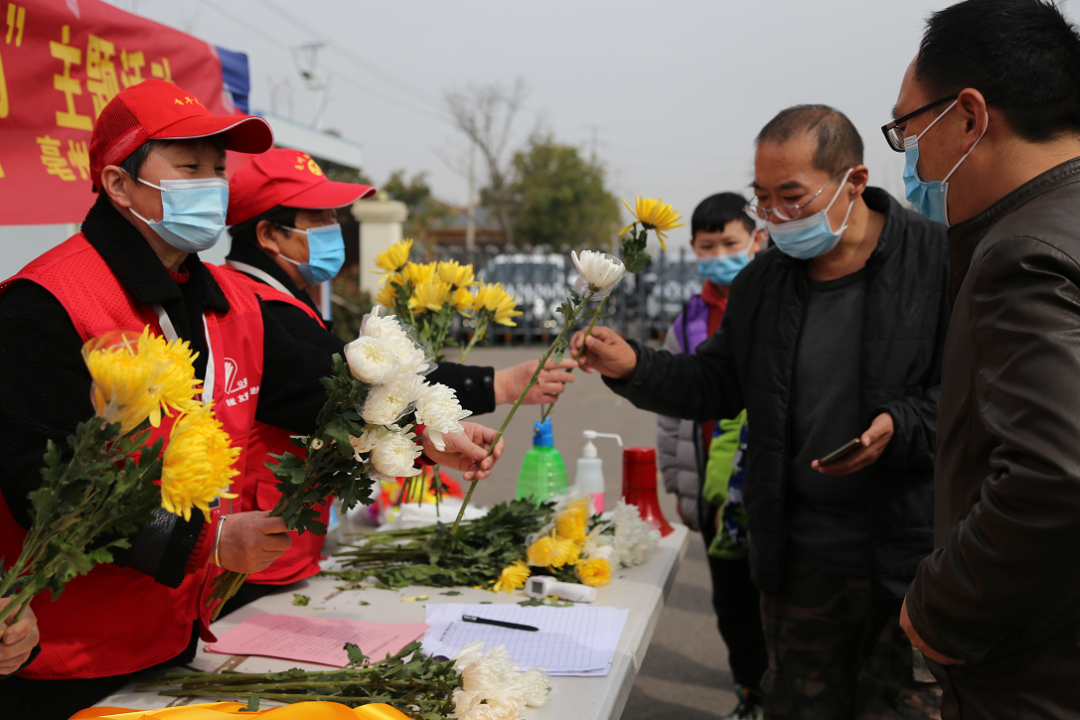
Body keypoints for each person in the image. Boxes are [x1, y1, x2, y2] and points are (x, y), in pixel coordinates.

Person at [0, 80, 501, 718]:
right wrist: (201, 540)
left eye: (217, 168)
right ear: (118, 185)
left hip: (179, 635)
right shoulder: (46, 303)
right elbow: (50, 488)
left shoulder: (228, 303)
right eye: (188, 167)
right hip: (70, 658)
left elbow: (325, 392)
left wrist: (425, 433)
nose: (211, 184)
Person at [571, 105, 950, 719]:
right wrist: (635, 366)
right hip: (799, 563)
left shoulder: (940, 262)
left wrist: (902, 425)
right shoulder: (764, 281)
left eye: (792, 197)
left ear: (853, 181)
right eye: (764, 199)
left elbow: (970, 395)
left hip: (911, 563)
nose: (775, 216)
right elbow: (718, 381)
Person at [216, 148, 573, 610]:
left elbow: (368, 384)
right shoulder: (257, 307)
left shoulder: (281, 300)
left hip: (274, 544)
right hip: (254, 552)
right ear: (268, 234)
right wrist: (438, 423)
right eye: (320, 217)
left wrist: (468, 405)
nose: (335, 227)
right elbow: (351, 396)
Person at [888, 1, 1080, 716]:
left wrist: (941, 608)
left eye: (910, 130)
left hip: (1038, 672)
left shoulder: (1022, 252)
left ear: (968, 116)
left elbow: (1058, 474)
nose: (911, 160)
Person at [655, 192, 767, 719]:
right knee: (732, 602)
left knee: (773, 601)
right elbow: (672, 417)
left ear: (755, 242)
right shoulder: (689, 322)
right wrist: (682, 486)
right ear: (694, 249)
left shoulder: (775, 301)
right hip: (713, 487)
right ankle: (750, 691)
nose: (720, 252)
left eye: (731, 242)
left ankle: (780, 693)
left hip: (767, 487)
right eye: (708, 245)